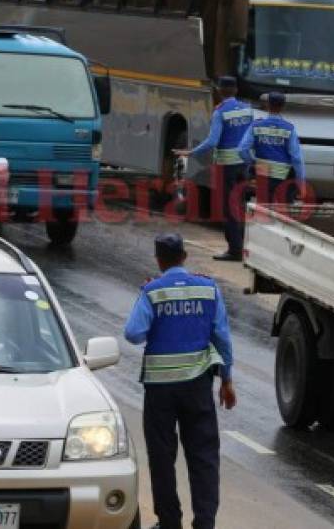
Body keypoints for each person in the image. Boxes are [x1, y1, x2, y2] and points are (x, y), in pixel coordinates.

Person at [124, 233, 236, 529]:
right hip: (198, 387)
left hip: (160, 391)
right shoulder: (208, 289)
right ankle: (205, 523)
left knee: (162, 459)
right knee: (204, 457)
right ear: (184, 257)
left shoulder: (152, 291)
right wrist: (226, 379)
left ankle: (169, 522)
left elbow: (133, 333)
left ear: (159, 260)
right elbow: (222, 338)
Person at [174, 76, 252, 261]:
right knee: (240, 205)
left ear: (219, 90)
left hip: (228, 166)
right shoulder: (247, 109)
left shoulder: (220, 112)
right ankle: (242, 245)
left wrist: (190, 152)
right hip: (244, 164)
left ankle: (235, 250)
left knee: (229, 207)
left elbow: (213, 141)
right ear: (236, 90)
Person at [238, 91, 305, 204]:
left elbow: (242, 150)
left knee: (263, 210)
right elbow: (297, 158)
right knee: (282, 212)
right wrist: (301, 183)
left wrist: (253, 163)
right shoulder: (289, 128)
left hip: (262, 173)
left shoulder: (256, 125)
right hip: (282, 176)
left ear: (267, 105)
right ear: (283, 106)